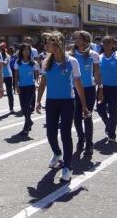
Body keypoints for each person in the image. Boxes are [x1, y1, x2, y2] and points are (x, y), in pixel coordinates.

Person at [36, 32, 89, 182]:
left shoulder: (72, 62)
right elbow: (43, 83)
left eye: (49, 43)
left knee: (65, 133)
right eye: (46, 43)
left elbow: (78, 85)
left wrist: (84, 106)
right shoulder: (46, 62)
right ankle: (57, 153)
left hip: (67, 102)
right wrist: (38, 101)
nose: (46, 46)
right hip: (51, 102)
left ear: (58, 44)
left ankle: (67, 166)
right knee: (50, 134)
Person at [71, 31, 101, 157]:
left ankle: (89, 144)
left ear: (86, 40)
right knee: (76, 118)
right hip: (74, 90)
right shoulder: (71, 54)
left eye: (80, 38)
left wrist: (101, 88)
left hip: (89, 89)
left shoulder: (93, 55)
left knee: (87, 116)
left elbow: (97, 73)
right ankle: (81, 138)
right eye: (76, 38)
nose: (77, 40)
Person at [97, 36, 117, 143]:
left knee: (112, 111)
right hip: (102, 88)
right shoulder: (99, 57)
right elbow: (96, 74)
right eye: (104, 43)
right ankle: (109, 125)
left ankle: (112, 133)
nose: (106, 45)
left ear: (113, 44)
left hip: (115, 88)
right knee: (100, 109)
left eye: (109, 43)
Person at [13, 43, 39, 136]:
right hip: (21, 87)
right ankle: (29, 121)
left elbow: (37, 75)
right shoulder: (17, 62)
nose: (26, 51)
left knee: (27, 106)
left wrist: (36, 82)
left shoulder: (34, 63)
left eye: (28, 50)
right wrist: (16, 86)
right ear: (21, 51)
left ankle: (26, 126)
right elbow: (16, 75)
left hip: (30, 87)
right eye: (24, 50)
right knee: (23, 108)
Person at [0, 43, 15, 113]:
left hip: (8, 76)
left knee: (9, 93)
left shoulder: (7, 56)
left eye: (1, 49)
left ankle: (11, 108)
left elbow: (5, 64)